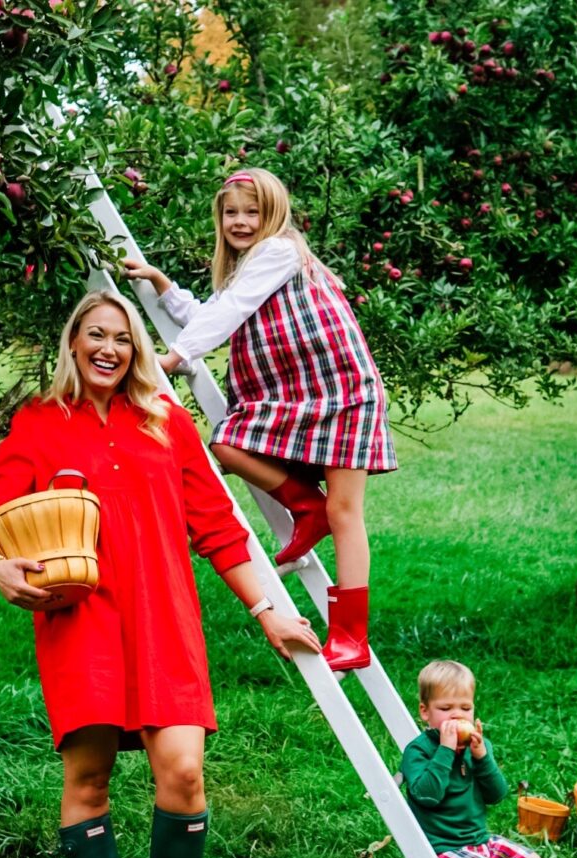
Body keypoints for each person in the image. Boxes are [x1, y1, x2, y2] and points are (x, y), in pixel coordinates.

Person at [0, 290, 321, 858]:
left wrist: (266, 610)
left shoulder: (166, 423)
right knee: (88, 780)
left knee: (183, 773)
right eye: (95, 335)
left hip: (165, 622)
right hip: (81, 625)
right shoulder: (38, 424)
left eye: (122, 339)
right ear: (73, 343)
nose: (108, 348)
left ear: (135, 351)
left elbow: (218, 527)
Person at [121, 167, 397, 673]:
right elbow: (223, 308)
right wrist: (166, 289)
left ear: (274, 216)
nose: (241, 222)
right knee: (228, 443)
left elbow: (231, 310)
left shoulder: (282, 250)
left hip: (344, 389)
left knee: (345, 511)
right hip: (301, 396)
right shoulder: (249, 268)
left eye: (253, 212)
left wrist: (176, 357)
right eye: (231, 213)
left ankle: (351, 635)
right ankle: (303, 508)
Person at [401, 660, 547, 858]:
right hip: (442, 847)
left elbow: (496, 794)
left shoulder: (477, 747)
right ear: (425, 712)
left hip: (477, 839)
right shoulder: (419, 752)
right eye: (446, 708)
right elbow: (426, 795)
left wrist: (482, 758)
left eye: (465, 707)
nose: (457, 716)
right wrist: (445, 751)